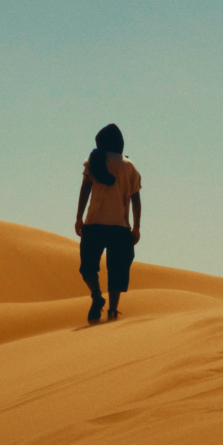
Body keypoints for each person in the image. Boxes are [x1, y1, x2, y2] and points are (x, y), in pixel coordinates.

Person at [75, 123, 141, 325]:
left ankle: (96, 294)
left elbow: (85, 189)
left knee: (88, 267)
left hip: (94, 222)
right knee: (117, 269)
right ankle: (112, 310)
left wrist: (79, 217)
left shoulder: (94, 160)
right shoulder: (129, 165)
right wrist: (137, 226)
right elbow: (136, 200)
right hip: (120, 226)